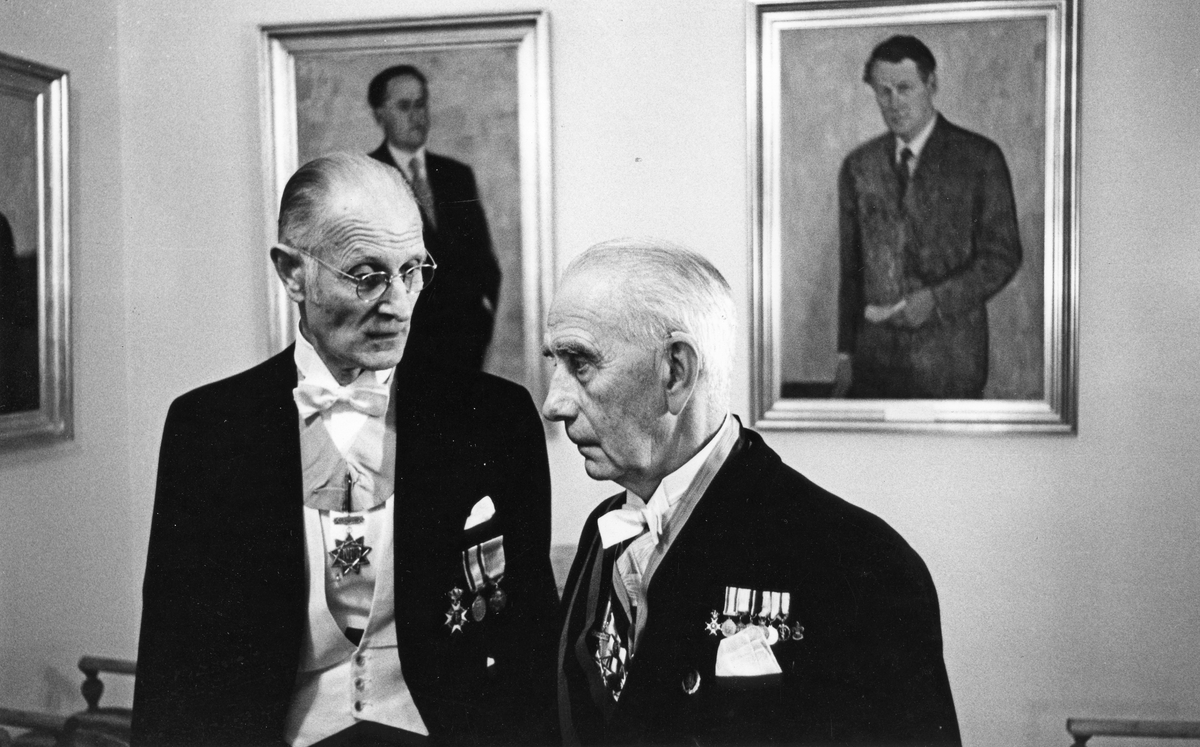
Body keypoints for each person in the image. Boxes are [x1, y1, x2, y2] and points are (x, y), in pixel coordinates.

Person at [132, 153, 558, 746]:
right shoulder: (208, 429)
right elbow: (172, 660)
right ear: (292, 273)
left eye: (412, 270)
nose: (399, 303)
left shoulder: (496, 419)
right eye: (366, 275)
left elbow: (531, 645)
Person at [545, 238, 960, 745]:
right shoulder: (604, 530)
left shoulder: (862, 566)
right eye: (554, 363)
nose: (553, 403)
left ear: (675, 371)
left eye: (580, 364)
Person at [837, 34, 1022, 399]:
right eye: (883, 91)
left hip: (950, 366)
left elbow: (1003, 256)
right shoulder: (859, 166)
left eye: (904, 88)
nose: (894, 103)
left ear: (932, 84)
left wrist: (936, 300)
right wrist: (845, 354)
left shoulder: (979, 158)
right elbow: (851, 271)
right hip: (875, 369)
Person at [367, 64, 501, 371]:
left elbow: (484, 259)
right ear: (379, 115)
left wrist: (485, 314)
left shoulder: (457, 175)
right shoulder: (369, 175)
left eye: (421, 104)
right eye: (404, 106)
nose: (417, 116)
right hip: (405, 346)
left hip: (465, 342)